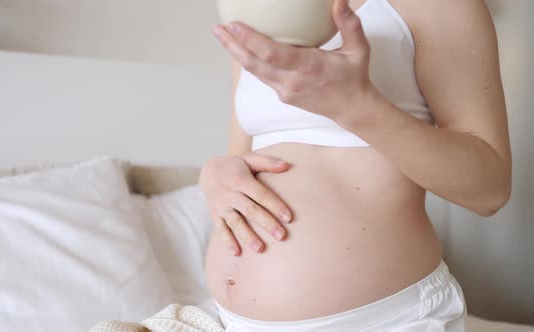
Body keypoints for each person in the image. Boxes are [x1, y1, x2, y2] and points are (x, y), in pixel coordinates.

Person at [199, 0, 511, 331]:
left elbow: (490, 189)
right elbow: (241, 156)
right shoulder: (261, 10)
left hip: (379, 321)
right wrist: (214, 174)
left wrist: (357, 107)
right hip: (232, 321)